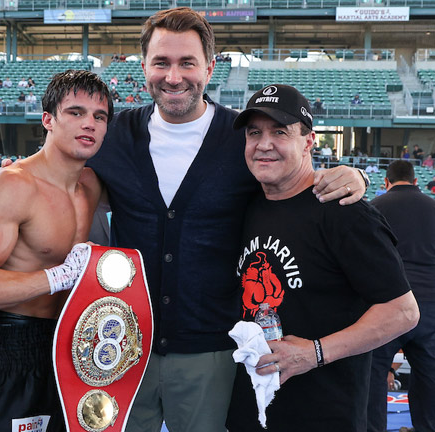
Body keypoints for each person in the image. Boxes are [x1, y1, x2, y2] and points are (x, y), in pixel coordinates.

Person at [85, 7, 368, 432]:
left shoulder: (244, 139)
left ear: (210, 67)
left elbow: (293, 176)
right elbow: (57, 170)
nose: (173, 76)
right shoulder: (114, 136)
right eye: (161, 62)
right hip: (124, 347)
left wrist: (352, 174)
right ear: (143, 65)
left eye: (187, 63)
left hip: (212, 354)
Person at [226, 84, 419, 432]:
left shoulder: (344, 212)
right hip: (251, 412)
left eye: (280, 132)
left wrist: (314, 352)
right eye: (255, 132)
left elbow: (403, 312)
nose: (264, 143)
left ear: (309, 142)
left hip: (324, 414)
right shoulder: (247, 205)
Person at [0, 70, 112, 432]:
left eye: (99, 117)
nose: (88, 123)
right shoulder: (12, 185)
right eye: (75, 112)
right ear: (48, 120)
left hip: (74, 346)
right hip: (13, 344)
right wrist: (58, 276)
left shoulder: (92, 184)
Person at [367, 160, 435, 432]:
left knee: (372, 375)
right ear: (416, 181)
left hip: (388, 305)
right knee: (430, 377)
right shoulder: (433, 208)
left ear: (385, 182)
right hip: (430, 307)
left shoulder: (374, 208)